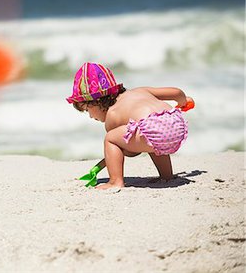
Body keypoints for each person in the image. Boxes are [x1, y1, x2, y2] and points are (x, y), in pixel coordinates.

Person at [66, 62, 194, 190]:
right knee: (149, 133)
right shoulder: (140, 91)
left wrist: (123, 150)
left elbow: (129, 149)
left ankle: (115, 182)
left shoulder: (113, 114)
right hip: (176, 124)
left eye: (87, 110)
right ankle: (166, 176)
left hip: (153, 129)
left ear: (97, 101)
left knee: (111, 139)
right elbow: (176, 92)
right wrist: (183, 102)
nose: (90, 117)